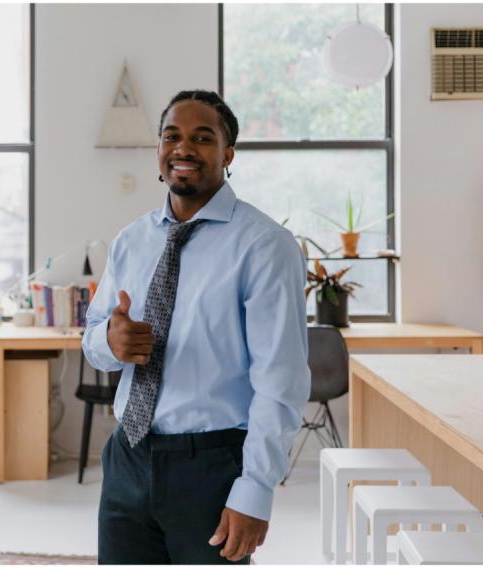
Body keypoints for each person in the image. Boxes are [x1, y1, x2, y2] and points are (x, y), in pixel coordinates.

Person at [82, 90, 311, 565]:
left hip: (211, 468)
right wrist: (110, 340)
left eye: (202, 138)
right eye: (172, 136)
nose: (183, 148)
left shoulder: (265, 246)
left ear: (228, 155)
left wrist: (255, 490)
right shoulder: (131, 240)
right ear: (159, 151)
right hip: (128, 456)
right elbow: (94, 338)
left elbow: (281, 383)